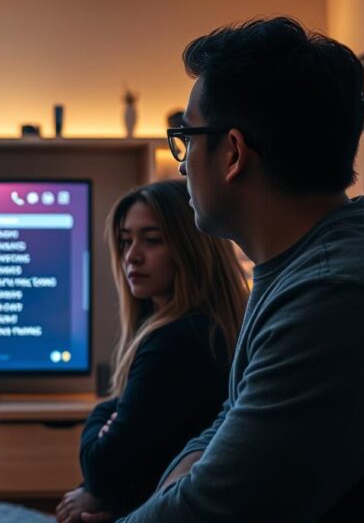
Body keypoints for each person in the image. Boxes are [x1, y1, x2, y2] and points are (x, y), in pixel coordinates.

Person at [119, 17, 364, 522]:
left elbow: (211, 511)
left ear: (233, 153)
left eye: (185, 137)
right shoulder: (308, 269)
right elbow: (229, 424)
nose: (181, 164)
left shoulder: (342, 294)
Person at [55, 180, 248, 523]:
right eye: (126, 241)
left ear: (192, 247)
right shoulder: (207, 328)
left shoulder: (177, 341)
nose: (132, 256)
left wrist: (100, 413)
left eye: (152, 240)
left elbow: (102, 465)